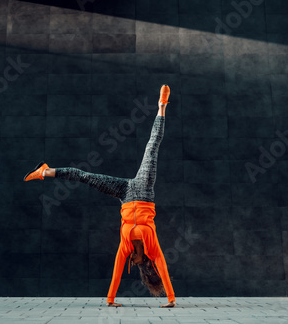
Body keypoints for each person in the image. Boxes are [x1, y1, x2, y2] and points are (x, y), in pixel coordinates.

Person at [24, 85, 175, 308]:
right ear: (146, 263)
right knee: (151, 148)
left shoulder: (125, 248)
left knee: (86, 177)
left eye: (132, 262)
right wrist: (171, 299)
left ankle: (45, 171)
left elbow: (116, 273)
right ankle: (161, 106)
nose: (131, 261)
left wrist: (110, 300)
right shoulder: (153, 250)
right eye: (136, 263)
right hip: (143, 192)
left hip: (124, 194)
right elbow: (163, 267)